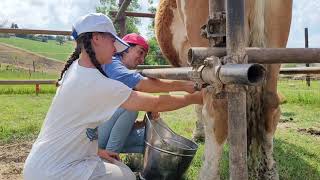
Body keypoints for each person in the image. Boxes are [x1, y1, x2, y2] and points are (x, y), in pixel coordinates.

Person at [23, 13, 203, 180]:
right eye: (113, 42)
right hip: (57, 172)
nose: (115, 50)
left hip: (39, 165)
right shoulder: (97, 82)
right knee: (127, 177)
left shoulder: (75, 69)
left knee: (122, 170)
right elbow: (155, 102)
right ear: (96, 38)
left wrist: (98, 152)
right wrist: (194, 98)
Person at [96, 33, 197, 162]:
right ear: (126, 48)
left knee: (150, 138)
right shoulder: (112, 64)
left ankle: (109, 156)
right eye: (140, 52)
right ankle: (110, 158)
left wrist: (141, 124)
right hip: (92, 138)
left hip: (102, 131)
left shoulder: (119, 69)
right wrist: (185, 86)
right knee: (131, 108)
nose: (142, 59)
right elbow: (142, 85)